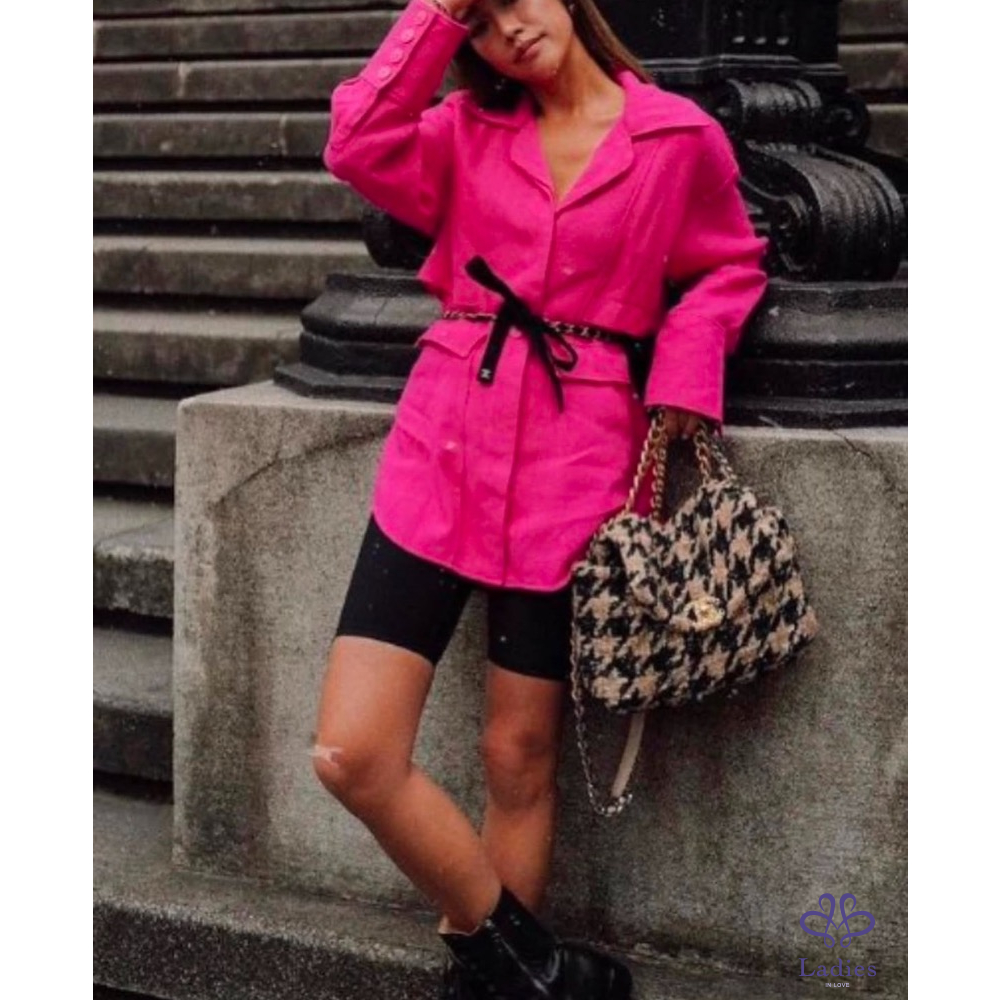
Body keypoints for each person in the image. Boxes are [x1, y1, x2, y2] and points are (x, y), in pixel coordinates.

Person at [311, 1, 768, 997]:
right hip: (441, 450)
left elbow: (727, 264)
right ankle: (544, 969)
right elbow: (356, 142)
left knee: (517, 753)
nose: (509, 27)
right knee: (353, 750)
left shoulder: (678, 137)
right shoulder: (460, 133)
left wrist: (685, 367)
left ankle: (494, 988)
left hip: (577, 461)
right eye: (480, 21)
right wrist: (437, 15)